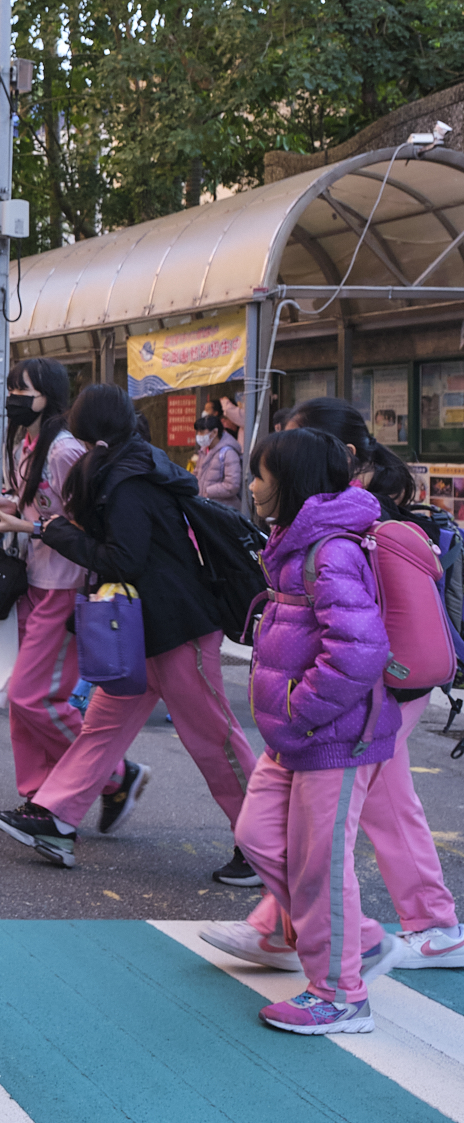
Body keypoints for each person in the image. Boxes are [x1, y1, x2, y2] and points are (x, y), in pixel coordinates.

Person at [204, 398, 463, 974]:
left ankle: (380, 935)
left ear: (331, 456)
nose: (256, 481)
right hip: (356, 692)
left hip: (367, 693)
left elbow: (354, 640)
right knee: (344, 814)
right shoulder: (335, 515)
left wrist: (302, 706)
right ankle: (308, 928)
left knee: (338, 820)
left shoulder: (341, 526)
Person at [0, 384, 256, 873]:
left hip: (177, 628)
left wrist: (52, 530)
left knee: (214, 739)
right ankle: (56, 818)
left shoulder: (129, 480)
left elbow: (123, 559)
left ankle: (265, 845)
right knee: (101, 731)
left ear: (90, 427)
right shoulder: (128, 466)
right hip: (141, 628)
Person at [227, 428, 408, 1034]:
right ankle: (358, 940)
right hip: (295, 738)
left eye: (260, 475)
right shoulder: (291, 543)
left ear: (292, 482)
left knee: (318, 867)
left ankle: (340, 994)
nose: (252, 485)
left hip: (332, 738)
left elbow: (359, 652)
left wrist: (300, 710)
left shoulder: (329, 551)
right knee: (258, 836)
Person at [0, 359, 131, 818]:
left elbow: (83, 523)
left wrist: (28, 525)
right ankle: (38, 794)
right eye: (11, 388)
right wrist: (10, 506)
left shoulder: (65, 451)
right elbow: (38, 504)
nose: (14, 397)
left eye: (22, 389)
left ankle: (114, 774)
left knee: (31, 696)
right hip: (33, 581)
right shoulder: (26, 445)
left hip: (64, 585)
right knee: (22, 699)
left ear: (48, 396)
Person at [195, 407, 244, 502]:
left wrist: (207, 491)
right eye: (198, 432)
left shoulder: (228, 452)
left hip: (222, 508)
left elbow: (232, 485)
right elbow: (196, 474)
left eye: (202, 431)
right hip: (206, 505)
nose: (199, 435)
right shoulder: (204, 451)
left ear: (214, 432)